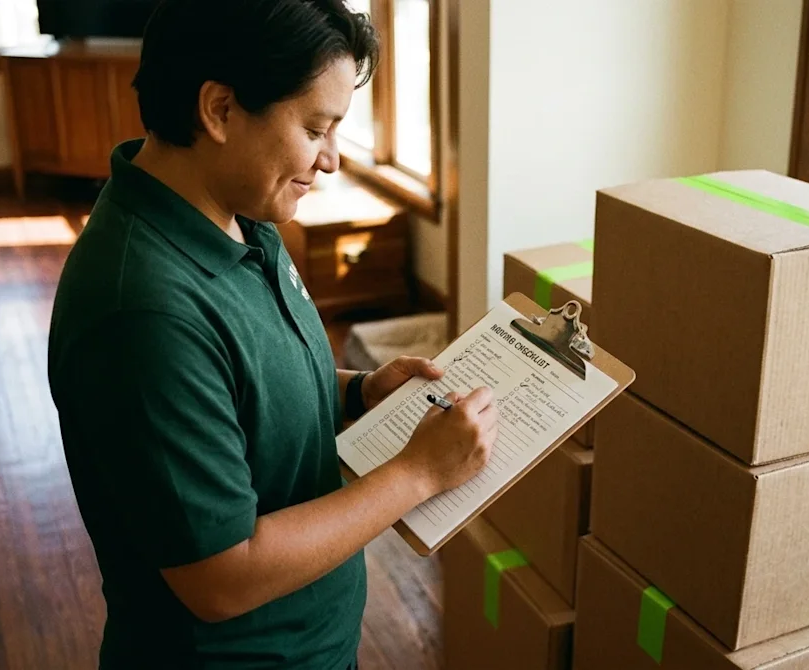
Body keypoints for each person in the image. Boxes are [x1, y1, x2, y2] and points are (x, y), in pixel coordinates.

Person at [46, 1, 498, 667]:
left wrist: (356, 392)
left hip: (313, 640)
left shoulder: (239, 211)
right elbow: (221, 577)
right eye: (317, 128)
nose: (333, 160)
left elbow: (240, 387)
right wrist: (418, 473)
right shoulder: (141, 312)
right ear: (220, 110)